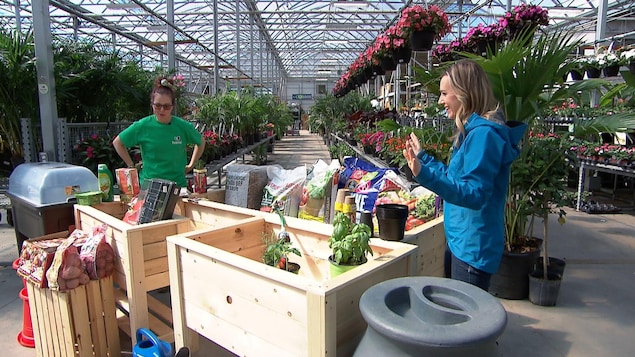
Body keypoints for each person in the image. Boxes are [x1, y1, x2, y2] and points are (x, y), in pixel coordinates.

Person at [402, 59, 527, 290]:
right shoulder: (471, 132)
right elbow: (455, 178)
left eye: (444, 94)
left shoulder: (483, 136)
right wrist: (424, 160)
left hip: (472, 248)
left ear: (463, 93)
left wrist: (424, 174)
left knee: (463, 320)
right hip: (461, 241)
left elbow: (474, 194)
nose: (440, 101)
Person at [113, 76, 205, 188]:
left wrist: (191, 165)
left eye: (166, 106)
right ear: (152, 104)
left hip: (177, 186)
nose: (162, 110)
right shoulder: (142, 126)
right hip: (150, 187)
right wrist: (131, 166)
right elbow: (118, 142)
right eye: (157, 106)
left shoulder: (182, 126)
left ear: (172, 106)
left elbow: (201, 142)